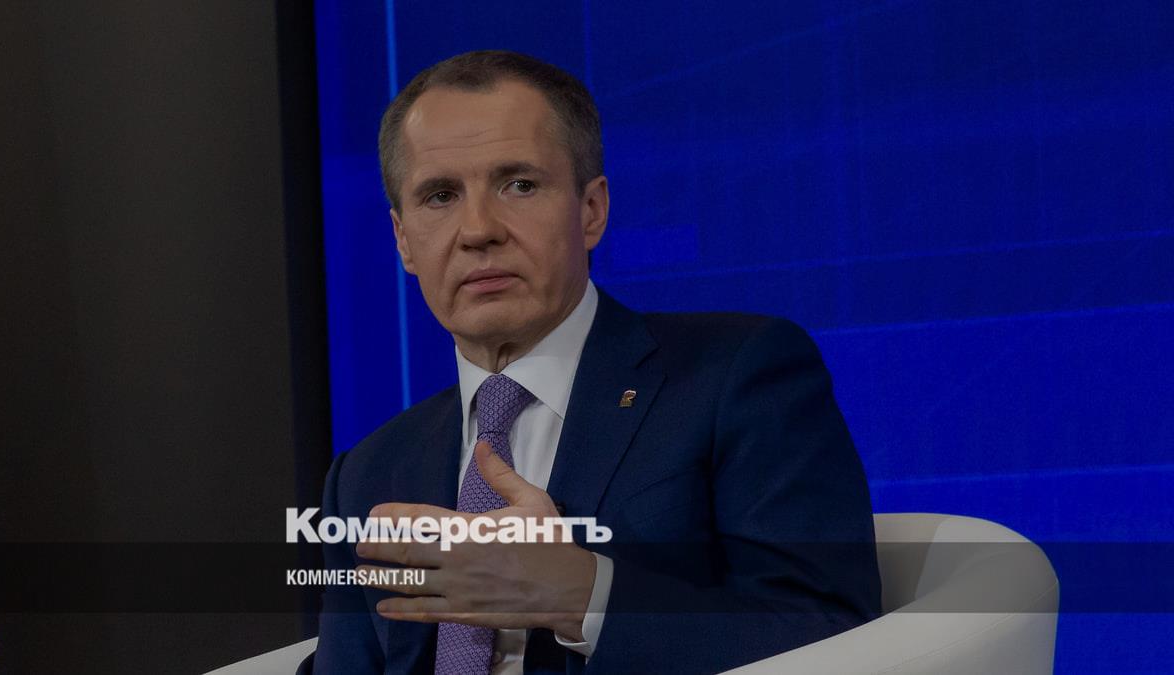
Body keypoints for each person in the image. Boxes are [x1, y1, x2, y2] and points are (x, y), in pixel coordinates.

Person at [305, 50, 880, 675]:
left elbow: (830, 631)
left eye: (519, 185)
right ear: (403, 240)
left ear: (591, 211)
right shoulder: (368, 474)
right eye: (440, 196)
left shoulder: (738, 377)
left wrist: (583, 596)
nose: (477, 230)